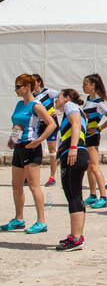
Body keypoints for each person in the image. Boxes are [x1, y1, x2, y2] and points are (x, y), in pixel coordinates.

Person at [1, 73, 54, 234]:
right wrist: (13, 139)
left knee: (33, 185)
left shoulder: (36, 105)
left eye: (18, 86)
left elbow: (51, 124)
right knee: (16, 185)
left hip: (31, 147)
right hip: (19, 146)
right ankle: (19, 218)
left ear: (28, 87)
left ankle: (41, 221)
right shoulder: (19, 104)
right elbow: (18, 124)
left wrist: (39, 140)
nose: (16, 89)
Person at [55, 88, 90, 251]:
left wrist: (73, 148)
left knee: (73, 195)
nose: (56, 100)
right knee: (75, 195)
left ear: (67, 98)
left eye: (58, 98)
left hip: (74, 153)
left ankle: (76, 239)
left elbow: (76, 124)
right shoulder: (77, 110)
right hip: (77, 152)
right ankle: (77, 235)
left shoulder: (70, 106)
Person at [81, 74, 107, 209]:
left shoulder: (100, 103)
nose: (83, 87)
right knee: (89, 166)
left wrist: (98, 129)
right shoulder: (87, 100)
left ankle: (103, 197)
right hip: (86, 136)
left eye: (85, 84)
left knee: (94, 166)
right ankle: (93, 195)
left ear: (93, 85)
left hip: (92, 137)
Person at [32, 75, 60, 187]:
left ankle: (52, 177)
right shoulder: (31, 96)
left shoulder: (48, 92)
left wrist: (59, 111)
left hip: (51, 124)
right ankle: (29, 176)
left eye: (33, 82)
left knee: (52, 150)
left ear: (39, 82)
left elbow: (65, 97)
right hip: (39, 125)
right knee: (33, 146)